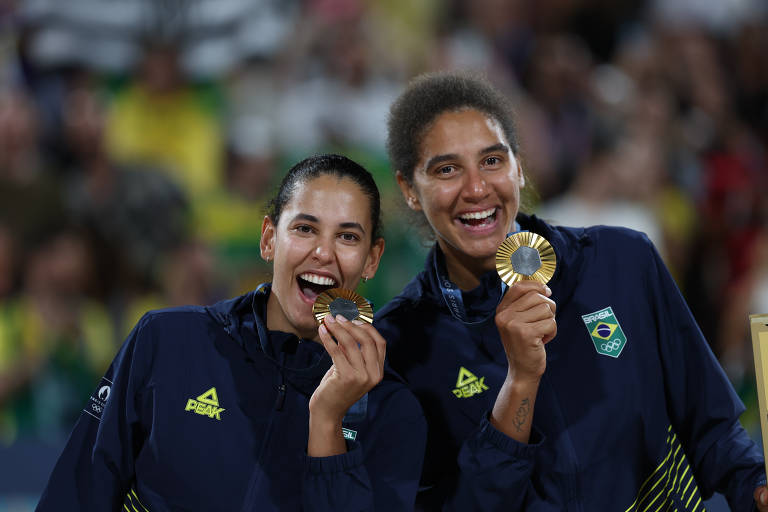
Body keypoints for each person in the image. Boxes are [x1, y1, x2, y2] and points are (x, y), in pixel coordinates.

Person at [374, 71, 768, 511]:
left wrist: (755, 487)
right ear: (409, 189)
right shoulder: (399, 345)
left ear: (518, 167)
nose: (477, 188)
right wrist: (520, 382)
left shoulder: (622, 260)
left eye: (492, 161)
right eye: (447, 169)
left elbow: (712, 427)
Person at [37, 154, 426, 511]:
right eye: (305, 228)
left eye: (347, 236)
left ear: (372, 259)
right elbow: (77, 492)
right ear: (269, 238)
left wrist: (327, 421)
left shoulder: (391, 410)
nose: (323, 252)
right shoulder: (167, 340)